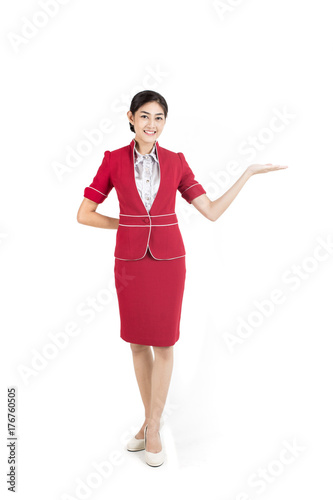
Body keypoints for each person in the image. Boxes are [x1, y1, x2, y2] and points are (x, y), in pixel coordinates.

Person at [77, 90, 288, 467]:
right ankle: (149, 421)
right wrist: (127, 224)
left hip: (168, 263)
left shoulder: (176, 162)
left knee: (164, 343)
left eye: (159, 118)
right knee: (136, 344)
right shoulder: (112, 161)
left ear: (164, 122)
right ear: (130, 117)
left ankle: (153, 428)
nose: (151, 124)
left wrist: (248, 174)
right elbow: (85, 214)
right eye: (144, 116)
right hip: (130, 263)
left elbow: (210, 211)